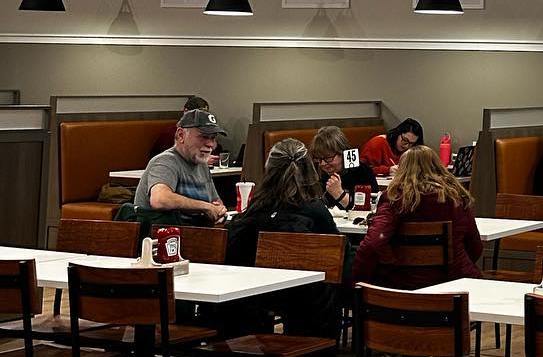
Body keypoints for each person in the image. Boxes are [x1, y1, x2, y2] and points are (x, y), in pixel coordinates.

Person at [224, 138, 342, 337]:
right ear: (310, 171)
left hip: (253, 298)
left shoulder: (256, 209)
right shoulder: (314, 210)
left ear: (269, 171)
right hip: (306, 305)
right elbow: (338, 255)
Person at [352, 145, 484, 291]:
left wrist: (358, 281)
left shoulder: (395, 199)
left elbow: (373, 243)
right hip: (455, 285)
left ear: (402, 170)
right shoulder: (457, 198)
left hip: (402, 286)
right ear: (438, 167)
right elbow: (475, 247)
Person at [133, 108, 228, 229]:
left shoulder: (202, 165)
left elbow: (216, 202)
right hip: (164, 236)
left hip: (196, 233)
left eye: (213, 138)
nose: (211, 144)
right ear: (181, 135)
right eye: (203, 137)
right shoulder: (165, 161)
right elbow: (160, 200)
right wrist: (205, 207)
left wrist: (219, 211)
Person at [310, 126, 379, 210]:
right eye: (319, 159)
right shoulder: (314, 173)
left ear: (343, 154)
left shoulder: (362, 172)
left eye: (328, 158)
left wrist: (339, 194)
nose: (323, 164)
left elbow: (371, 208)